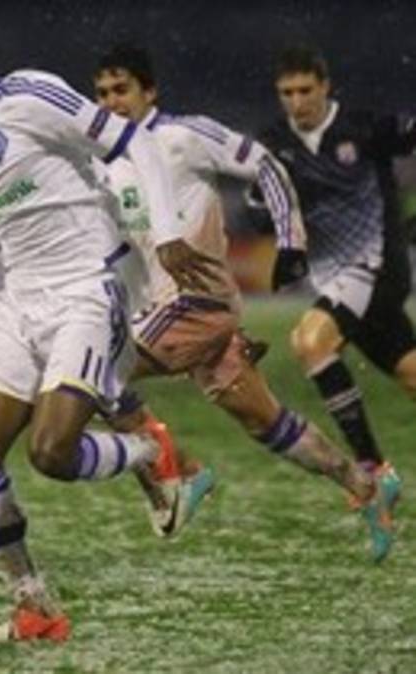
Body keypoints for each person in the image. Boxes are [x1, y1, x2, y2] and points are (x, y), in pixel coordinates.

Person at [0, 21, 218, 642]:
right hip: (18, 302)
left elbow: (135, 143)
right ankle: (33, 607)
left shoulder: (30, 96)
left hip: (86, 289)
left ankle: (154, 453)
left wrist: (169, 232)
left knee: (51, 454)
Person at [93, 44, 397, 561]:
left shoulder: (183, 136)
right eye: (101, 93)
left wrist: (291, 242)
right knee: (267, 423)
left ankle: (180, 471)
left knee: (92, 376)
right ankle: (365, 484)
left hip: (197, 304)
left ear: (150, 91)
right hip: (167, 311)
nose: (111, 102)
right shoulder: (106, 163)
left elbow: (267, 166)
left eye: (122, 90)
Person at [258, 46, 413, 500]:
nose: (297, 101)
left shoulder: (364, 127)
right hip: (335, 281)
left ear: (325, 86)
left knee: (311, 342)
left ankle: (372, 469)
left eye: (306, 90)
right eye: (287, 93)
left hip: (377, 268)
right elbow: (258, 210)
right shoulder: (273, 144)